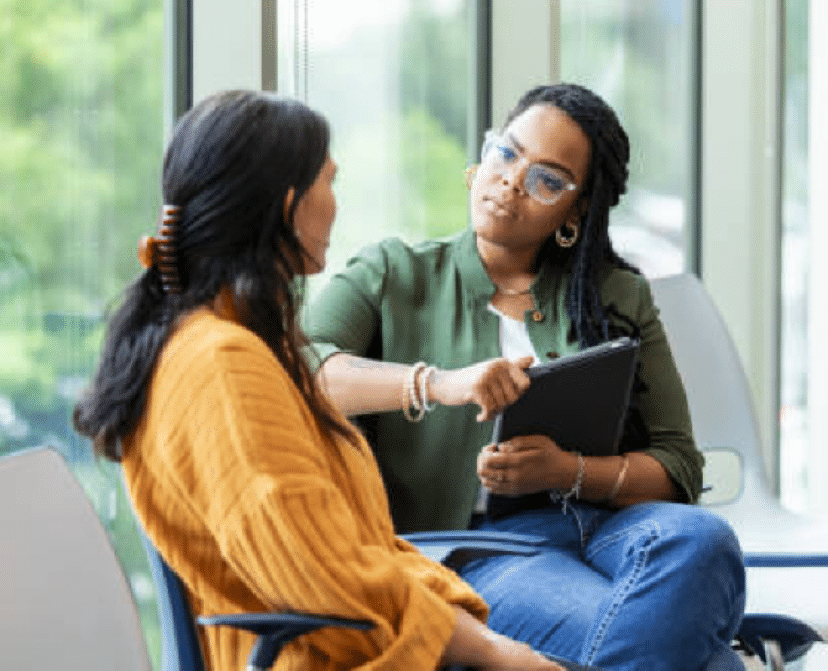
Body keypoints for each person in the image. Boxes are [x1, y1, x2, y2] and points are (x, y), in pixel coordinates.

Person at [73, 89, 570, 671]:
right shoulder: (222, 366)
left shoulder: (229, 343)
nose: (337, 202)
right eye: (328, 182)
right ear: (289, 204)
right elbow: (322, 577)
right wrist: (489, 650)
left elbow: (340, 555)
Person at [303, 83, 746, 671]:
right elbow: (300, 370)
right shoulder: (394, 274)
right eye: (506, 153)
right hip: (482, 549)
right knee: (712, 663)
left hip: (613, 530)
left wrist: (566, 471)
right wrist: (440, 383)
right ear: (481, 158)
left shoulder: (617, 295)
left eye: (548, 180)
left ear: (577, 210)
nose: (512, 181)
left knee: (704, 540)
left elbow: (678, 466)